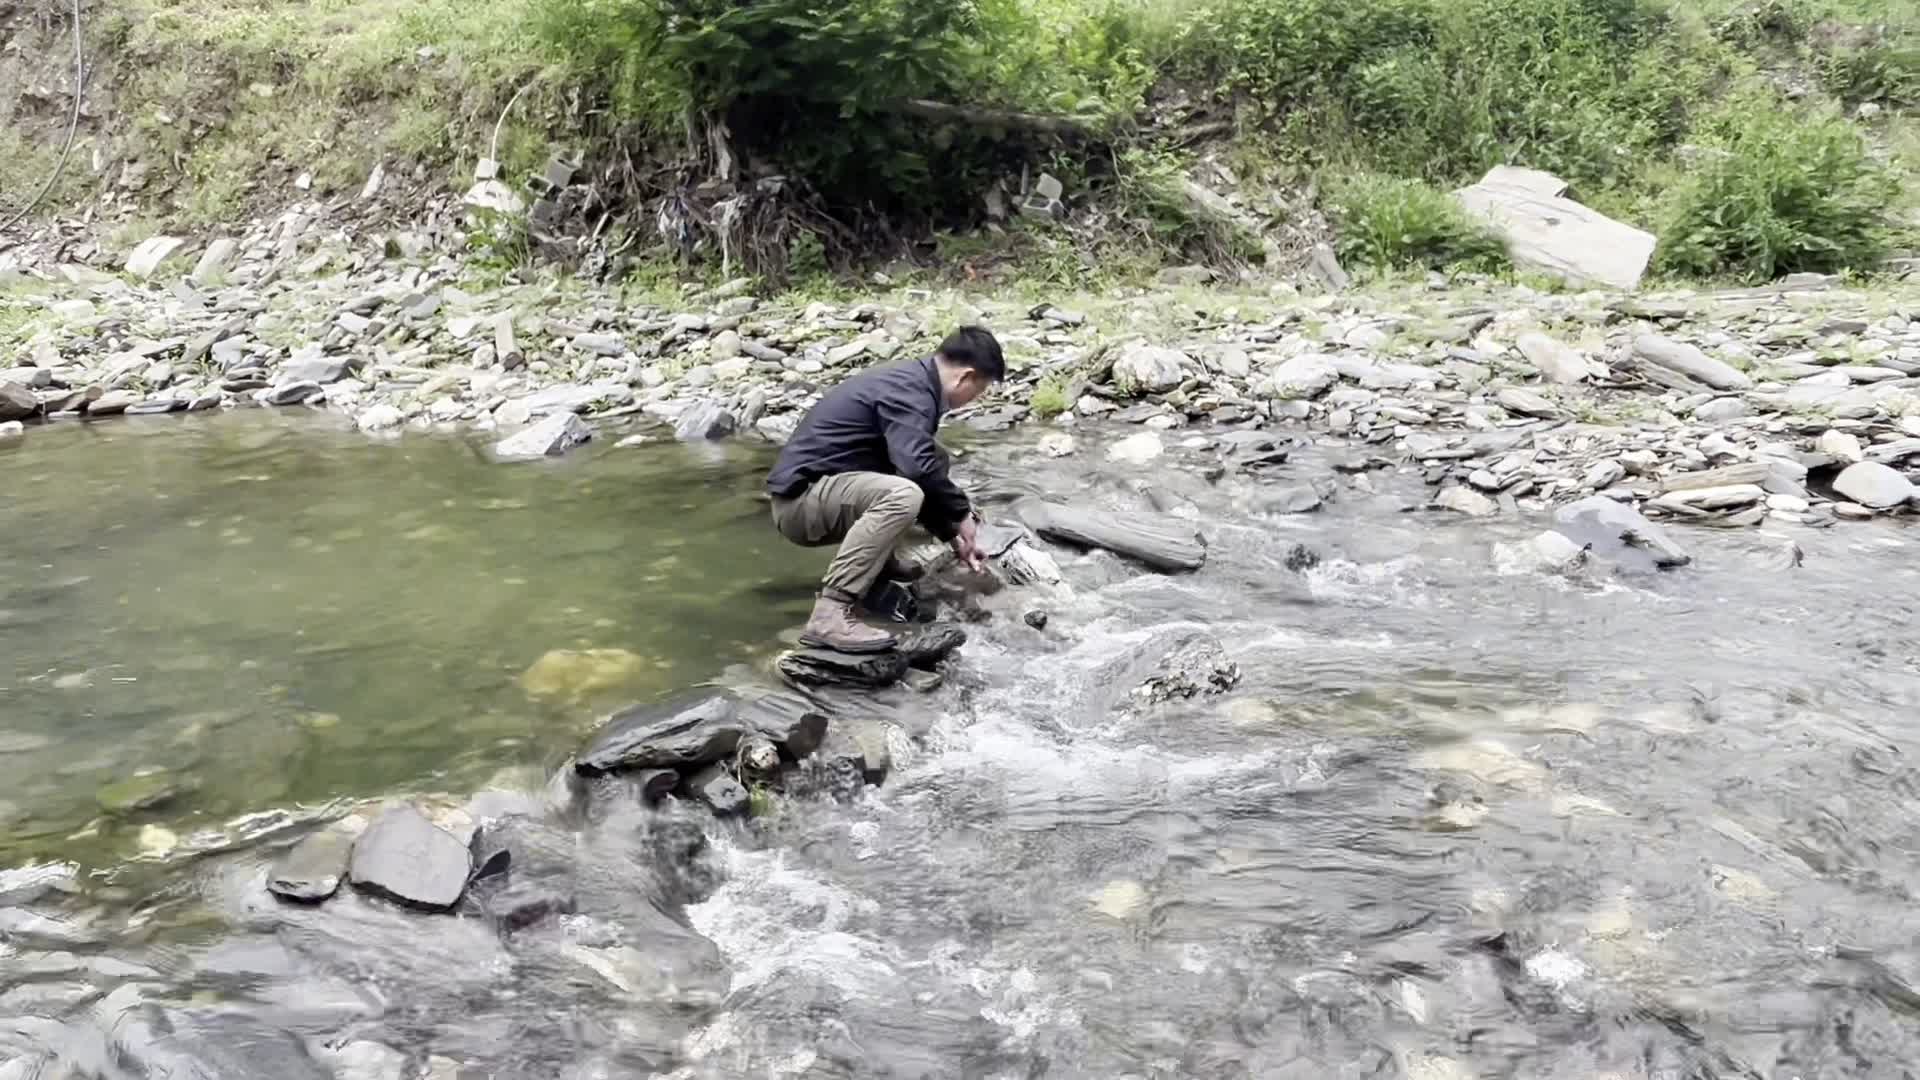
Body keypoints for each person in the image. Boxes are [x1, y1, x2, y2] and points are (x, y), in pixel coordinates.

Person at [766, 326, 1005, 653]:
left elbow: (922, 465)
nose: (970, 401)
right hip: (799, 505)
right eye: (978, 391)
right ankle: (830, 614)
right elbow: (915, 469)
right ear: (965, 377)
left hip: (826, 493)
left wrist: (953, 536)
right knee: (903, 492)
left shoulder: (914, 382)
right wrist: (962, 513)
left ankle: (879, 565)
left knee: (933, 457)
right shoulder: (911, 391)